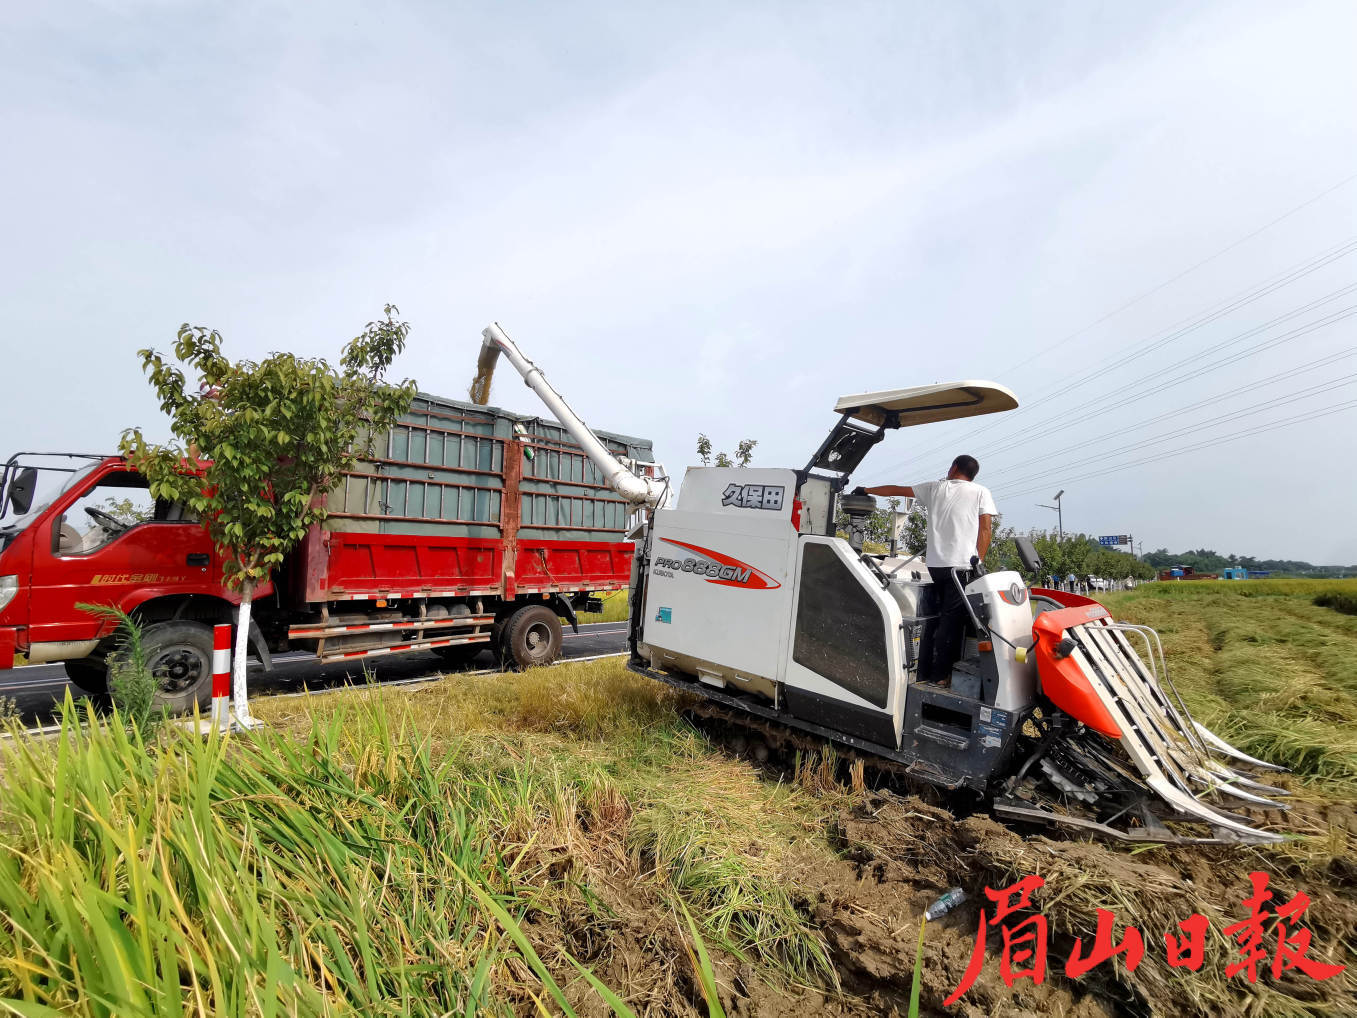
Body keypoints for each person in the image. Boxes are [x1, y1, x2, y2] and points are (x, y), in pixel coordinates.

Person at [855, 454, 996, 687]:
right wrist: (978, 561)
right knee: (951, 623)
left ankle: (931, 667)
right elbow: (986, 529)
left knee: (939, 618)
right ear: (973, 475)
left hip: (936, 566)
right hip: (961, 568)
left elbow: (897, 490)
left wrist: (867, 488)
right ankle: (939, 676)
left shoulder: (934, 488)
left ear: (953, 468)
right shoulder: (981, 492)